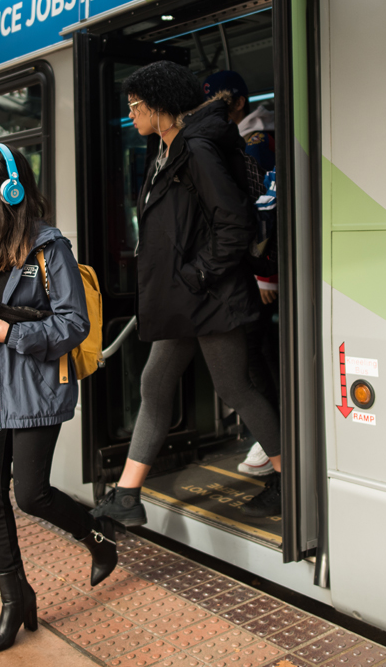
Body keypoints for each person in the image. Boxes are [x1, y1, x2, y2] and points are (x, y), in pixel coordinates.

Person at [0, 143, 118, 655]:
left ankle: (96, 534)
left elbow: (74, 323)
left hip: (35, 382)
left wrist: (12, 336)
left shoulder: (49, 248)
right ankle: (14, 599)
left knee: (31, 494)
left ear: (9, 187)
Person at [90, 61, 283, 525]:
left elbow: (234, 222)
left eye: (136, 106)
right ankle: (128, 495)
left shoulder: (195, 148)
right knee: (155, 383)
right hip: (186, 299)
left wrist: (197, 275)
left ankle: (287, 475)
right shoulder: (167, 149)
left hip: (208, 297)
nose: (131, 115)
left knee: (235, 388)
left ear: (160, 107)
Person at [203, 70, 280, 477]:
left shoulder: (255, 142)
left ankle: (272, 444)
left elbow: (265, 207)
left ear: (238, 102)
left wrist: (266, 275)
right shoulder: (240, 141)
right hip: (252, 270)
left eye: (219, 102)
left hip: (258, 272)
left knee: (257, 359)